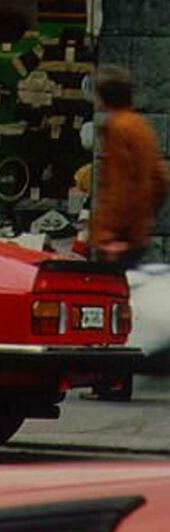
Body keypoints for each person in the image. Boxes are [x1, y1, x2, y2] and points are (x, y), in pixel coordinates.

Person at [87, 65, 170, 401]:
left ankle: (113, 380)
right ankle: (116, 379)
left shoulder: (118, 128)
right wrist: (143, 221)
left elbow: (120, 188)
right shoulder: (141, 126)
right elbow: (159, 180)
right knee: (127, 305)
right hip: (135, 232)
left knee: (111, 308)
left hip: (117, 235)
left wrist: (111, 234)